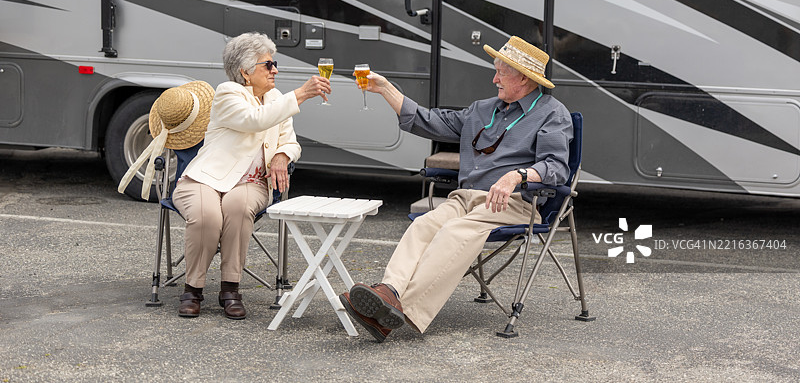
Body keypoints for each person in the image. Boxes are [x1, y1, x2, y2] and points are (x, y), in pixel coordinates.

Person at [339, 36, 573, 341]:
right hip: (465, 198)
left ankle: (390, 312)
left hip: (510, 203)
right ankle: (389, 292)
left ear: (525, 79)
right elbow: (428, 121)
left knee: (453, 232)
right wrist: (385, 89)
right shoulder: (483, 109)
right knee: (424, 225)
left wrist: (517, 176)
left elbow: (557, 167)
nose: (494, 79)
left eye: (501, 73)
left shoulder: (553, 113)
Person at [170, 32, 331, 319]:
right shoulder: (227, 93)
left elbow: (290, 140)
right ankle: (192, 289)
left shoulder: (276, 98)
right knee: (207, 215)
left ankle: (230, 288)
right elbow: (254, 120)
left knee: (238, 206)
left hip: (252, 181)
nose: (275, 70)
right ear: (245, 72)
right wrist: (303, 93)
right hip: (204, 179)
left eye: (274, 63)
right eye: (268, 65)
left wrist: (283, 155)